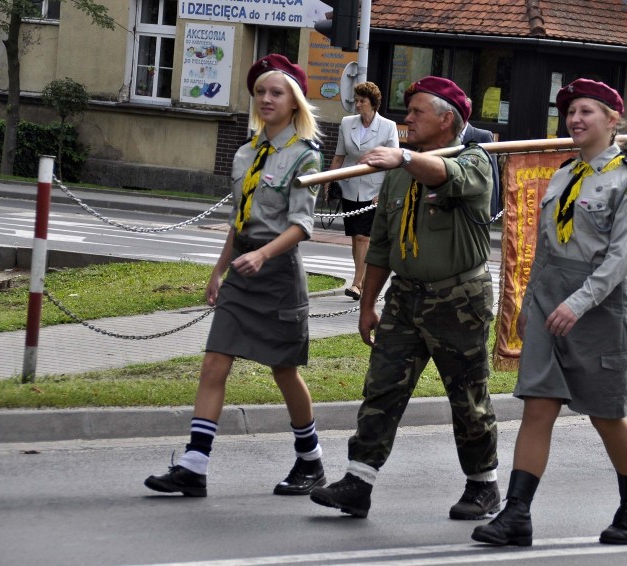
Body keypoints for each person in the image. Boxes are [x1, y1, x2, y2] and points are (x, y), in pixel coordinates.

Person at [309, 76, 500, 519]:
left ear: (445, 119)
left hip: (458, 299)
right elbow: (380, 244)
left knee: (468, 397)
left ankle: (483, 485)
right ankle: (358, 481)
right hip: (405, 299)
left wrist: (405, 156)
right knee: (382, 388)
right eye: (407, 111)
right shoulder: (397, 171)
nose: (407, 118)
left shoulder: (475, 161)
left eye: (416, 112)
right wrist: (367, 303)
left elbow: (445, 174)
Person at [472, 78, 627, 547]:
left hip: (600, 311)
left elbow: (619, 258)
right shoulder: (563, 173)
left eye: (586, 111)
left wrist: (579, 302)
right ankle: (516, 515)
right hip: (550, 304)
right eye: (569, 112)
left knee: (606, 414)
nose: (574, 119)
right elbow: (545, 250)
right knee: (538, 406)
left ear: (614, 121)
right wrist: (530, 303)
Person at [144, 54, 326, 497]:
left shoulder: (305, 157)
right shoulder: (246, 152)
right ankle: (194, 465)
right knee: (214, 362)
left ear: (294, 102)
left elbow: (302, 226)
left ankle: (311, 461)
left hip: (278, 275)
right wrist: (217, 271)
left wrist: (263, 255)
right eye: (260, 92)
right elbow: (237, 221)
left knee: (284, 371)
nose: (266, 98)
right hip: (243, 274)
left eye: (276, 92)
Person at [325, 82, 400, 300]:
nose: (357, 105)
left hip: (374, 191)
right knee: (355, 238)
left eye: (362, 101)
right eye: (356, 100)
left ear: (373, 103)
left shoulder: (388, 126)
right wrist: (327, 182)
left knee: (362, 238)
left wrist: (384, 191)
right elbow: (339, 156)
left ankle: (357, 283)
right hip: (349, 189)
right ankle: (363, 281)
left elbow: (393, 162)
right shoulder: (347, 123)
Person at [460, 98, 501, 218]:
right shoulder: (446, 135)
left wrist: (492, 210)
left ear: (470, 111)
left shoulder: (483, 136)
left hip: (477, 207)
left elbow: (493, 174)